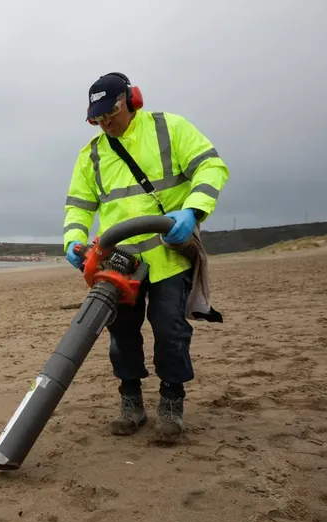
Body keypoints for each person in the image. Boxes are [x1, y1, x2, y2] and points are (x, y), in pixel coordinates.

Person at [62, 72, 229, 443]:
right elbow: (78, 206)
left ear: (132, 99)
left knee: (170, 329)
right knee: (121, 334)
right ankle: (131, 400)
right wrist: (73, 241)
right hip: (120, 264)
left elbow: (212, 167)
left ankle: (171, 400)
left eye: (112, 111)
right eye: (98, 116)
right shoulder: (92, 154)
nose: (106, 121)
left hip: (169, 255)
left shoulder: (170, 128)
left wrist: (193, 211)